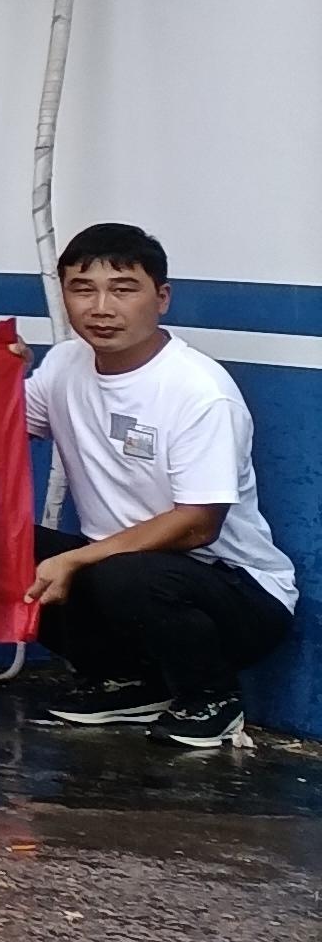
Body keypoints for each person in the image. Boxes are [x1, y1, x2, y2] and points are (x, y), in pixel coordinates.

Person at [26, 224, 297, 750]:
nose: (101, 308)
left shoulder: (199, 391)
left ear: (162, 297)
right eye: (83, 289)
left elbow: (198, 525)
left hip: (237, 595)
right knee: (4, 547)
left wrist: (76, 559)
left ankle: (213, 701)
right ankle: (129, 684)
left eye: (123, 289)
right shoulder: (64, 365)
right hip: (126, 574)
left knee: (121, 572)